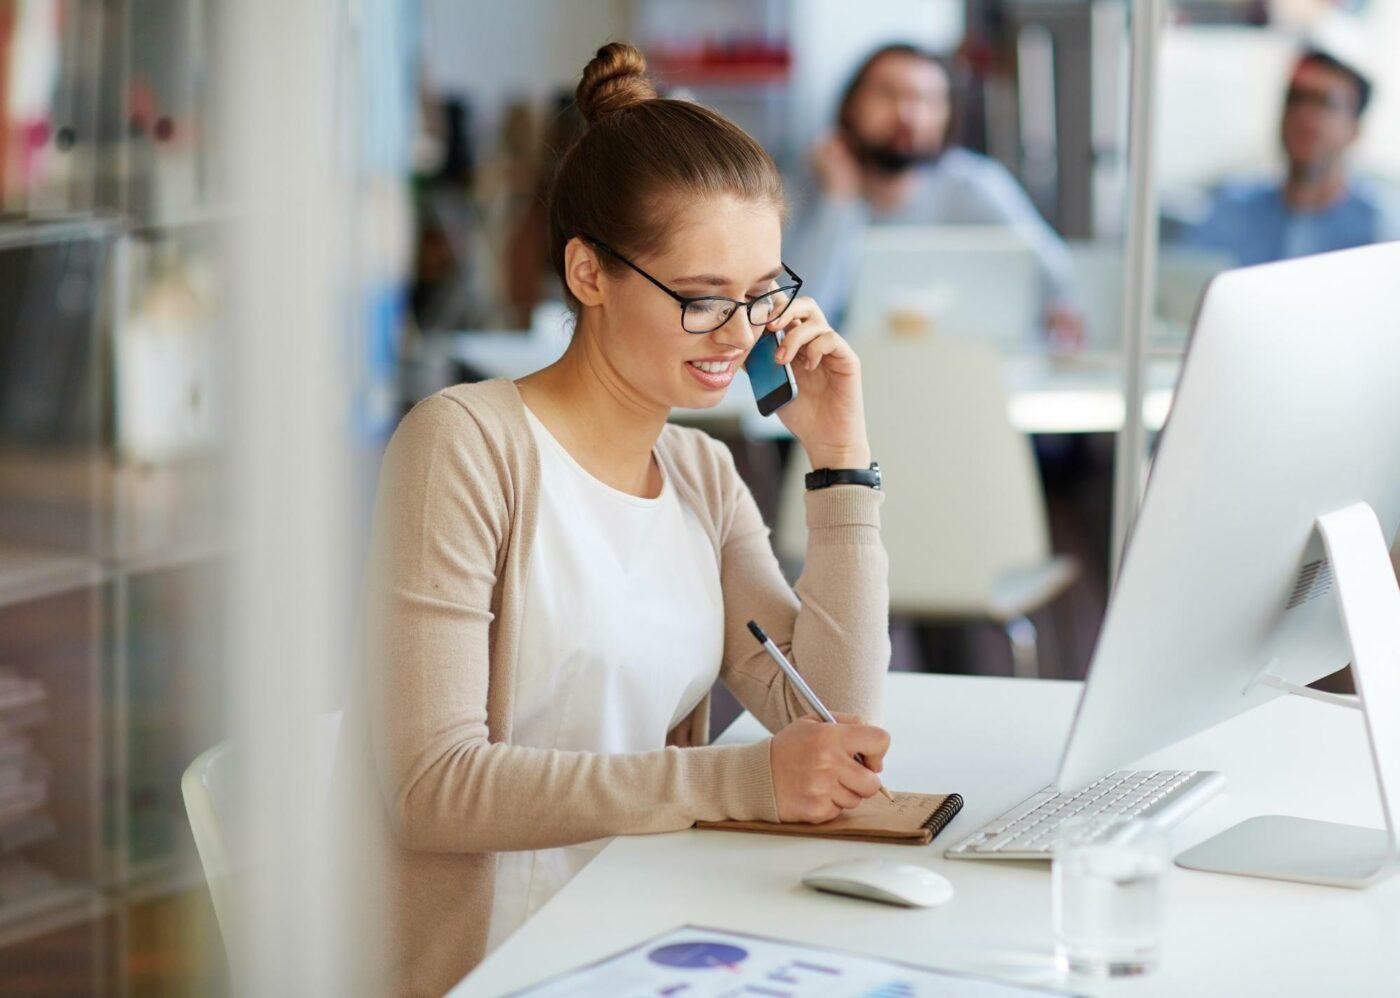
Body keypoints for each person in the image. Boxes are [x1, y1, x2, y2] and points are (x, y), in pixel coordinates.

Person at [342, 43, 893, 996]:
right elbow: (431, 790)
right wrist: (738, 781)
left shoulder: (699, 473)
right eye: (702, 299)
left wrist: (840, 460)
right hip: (490, 970)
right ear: (589, 272)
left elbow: (833, 718)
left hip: (645, 945)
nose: (742, 335)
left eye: (763, 294)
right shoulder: (464, 448)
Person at [786, 42, 1080, 343]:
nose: (907, 114)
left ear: (947, 116)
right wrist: (839, 200)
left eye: (927, 99)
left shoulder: (974, 186)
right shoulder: (805, 193)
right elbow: (793, 315)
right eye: (888, 94)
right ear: (852, 107)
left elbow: (1057, 282)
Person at [1183, 49, 1400, 265]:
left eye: (1324, 103)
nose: (1304, 116)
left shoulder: (1382, 235)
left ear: (1355, 130)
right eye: (1296, 99)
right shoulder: (1233, 210)